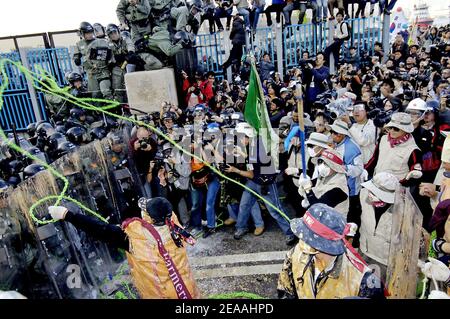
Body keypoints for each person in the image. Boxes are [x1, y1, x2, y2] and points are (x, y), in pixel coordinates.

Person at [47, 197, 201, 299]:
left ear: (149, 218)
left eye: (144, 210)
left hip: (161, 294)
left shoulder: (135, 239)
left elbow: (100, 229)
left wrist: (67, 215)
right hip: (187, 289)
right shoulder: (174, 225)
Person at [277, 203, 385, 299]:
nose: (300, 240)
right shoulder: (294, 254)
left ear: (321, 244)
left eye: (306, 237)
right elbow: (285, 291)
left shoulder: (365, 281)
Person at [231, 123, 297, 245]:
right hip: (253, 181)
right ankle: (241, 227)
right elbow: (251, 170)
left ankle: (290, 232)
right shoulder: (246, 146)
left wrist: (243, 155)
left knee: (275, 210)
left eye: (241, 137)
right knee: (244, 205)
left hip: (266, 182)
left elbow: (260, 161)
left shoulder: (259, 145)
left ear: (248, 135)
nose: (239, 140)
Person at [359, 172, 399, 281]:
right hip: (363, 251)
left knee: (375, 288)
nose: (370, 195)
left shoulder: (402, 211)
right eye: (370, 191)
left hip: (383, 260)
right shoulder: (363, 195)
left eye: (375, 193)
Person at [366, 112, 423, 186]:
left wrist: (403, 182)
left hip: (396, 190)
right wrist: (365, 170)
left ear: (405, 130)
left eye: (396, 129)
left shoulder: (413, 150)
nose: (392, 130)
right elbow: (374, 158)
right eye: (390, 127)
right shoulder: (383, 139)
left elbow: (414, 174)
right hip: (376, 183)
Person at [298, 149, 349, 216]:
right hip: (319, 220)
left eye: (326, 164)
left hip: (332, 224)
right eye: (320, 162)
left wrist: (307, 189)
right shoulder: (324, 176)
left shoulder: (340, 190)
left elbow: (318, 209)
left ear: (335, 167)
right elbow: (312, 185)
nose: (322, 166)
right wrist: (303, 186)